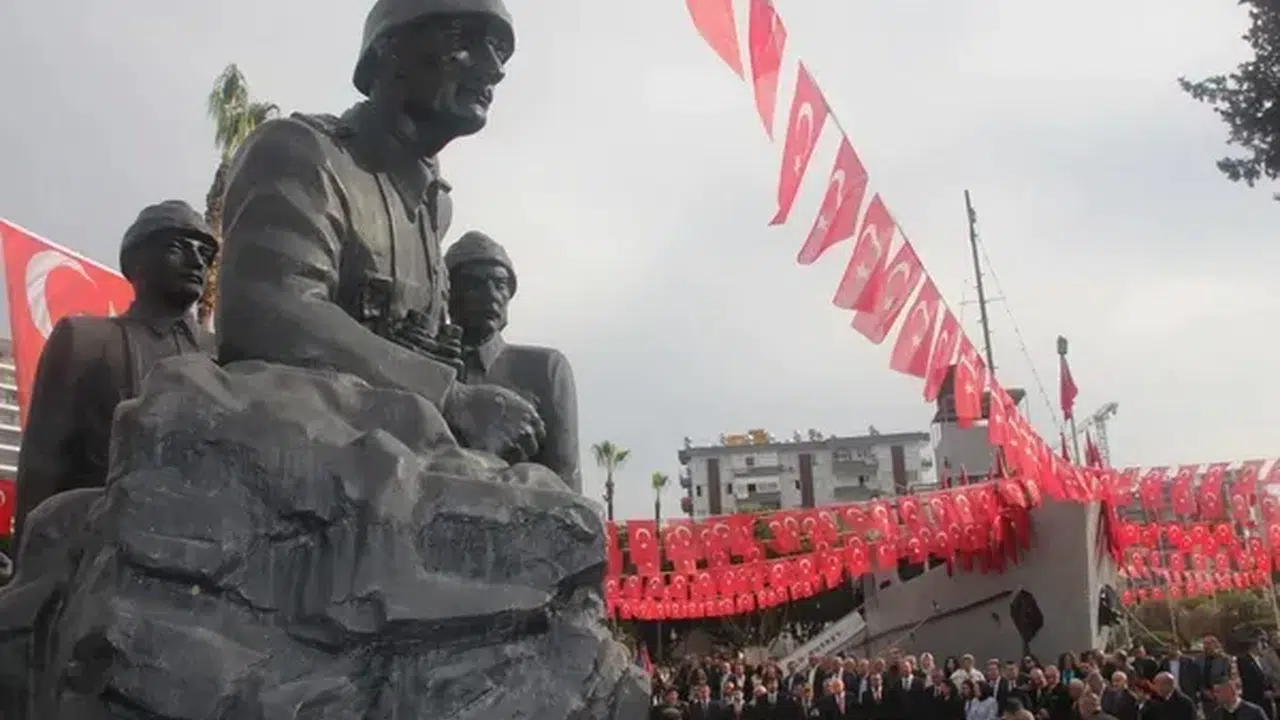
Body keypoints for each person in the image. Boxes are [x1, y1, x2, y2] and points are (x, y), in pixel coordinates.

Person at [216, 0, 545, 464]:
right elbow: (267, 309)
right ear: (388, 50)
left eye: (498, 50)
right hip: (301, 451)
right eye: (463, 40)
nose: (494, 69)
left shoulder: (436, 207)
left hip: (396, 450)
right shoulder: (304, 153)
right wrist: (448, 397)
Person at [12, 200, 217, 550]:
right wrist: (28, 564)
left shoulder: (222, 355)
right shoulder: (84, 339)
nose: (197, 261)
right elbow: (42, 462)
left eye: (205, 252)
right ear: (137, 261)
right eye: (177, 247)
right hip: (98, 549)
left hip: (201, 551)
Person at [444, 231, 580, 490]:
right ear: (447, 294)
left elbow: (567, 486)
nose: (491, 294)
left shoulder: (544, 369)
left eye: (500, 284)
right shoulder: (427, 369)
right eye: (475, 284)